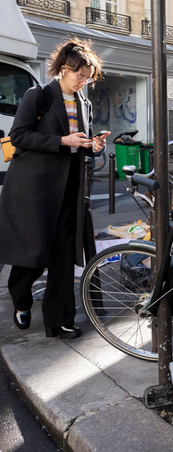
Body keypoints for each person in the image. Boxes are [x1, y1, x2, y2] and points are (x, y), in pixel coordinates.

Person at [0, 38, 111, 339]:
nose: (83, 82)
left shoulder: (84, 104)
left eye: (88, 78)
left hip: (69, 191)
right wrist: (62, 141)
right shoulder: (38, 96)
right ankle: (21, 300)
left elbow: (81, 147)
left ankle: (60, 319)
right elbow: (19, 135)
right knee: (33, 254)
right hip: (34, 190)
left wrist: (94, 146)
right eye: (80, 76)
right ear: (64, 69)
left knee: (63, 256)